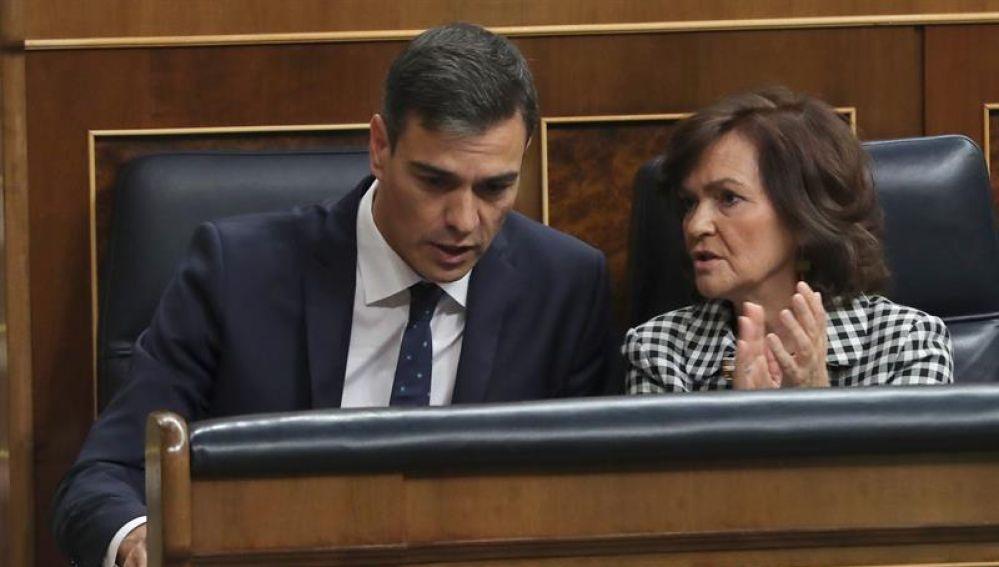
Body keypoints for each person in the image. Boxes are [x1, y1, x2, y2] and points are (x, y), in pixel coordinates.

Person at [53, 23, 616, 567]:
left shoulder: (565, 286)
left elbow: (594, 503)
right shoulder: (237, 272)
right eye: (435, 182)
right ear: (379, 147)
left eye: (495, 187)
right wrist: (138, 540)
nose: (464, 221)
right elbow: (106, 475)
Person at [624, 87, 953, 393]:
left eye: (728, 198)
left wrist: (814, 404)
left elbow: (909, 460)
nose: (696, 225)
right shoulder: (658, 350)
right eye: (689, 203)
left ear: (803, 214)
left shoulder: (907, 343)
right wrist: (744, 419)